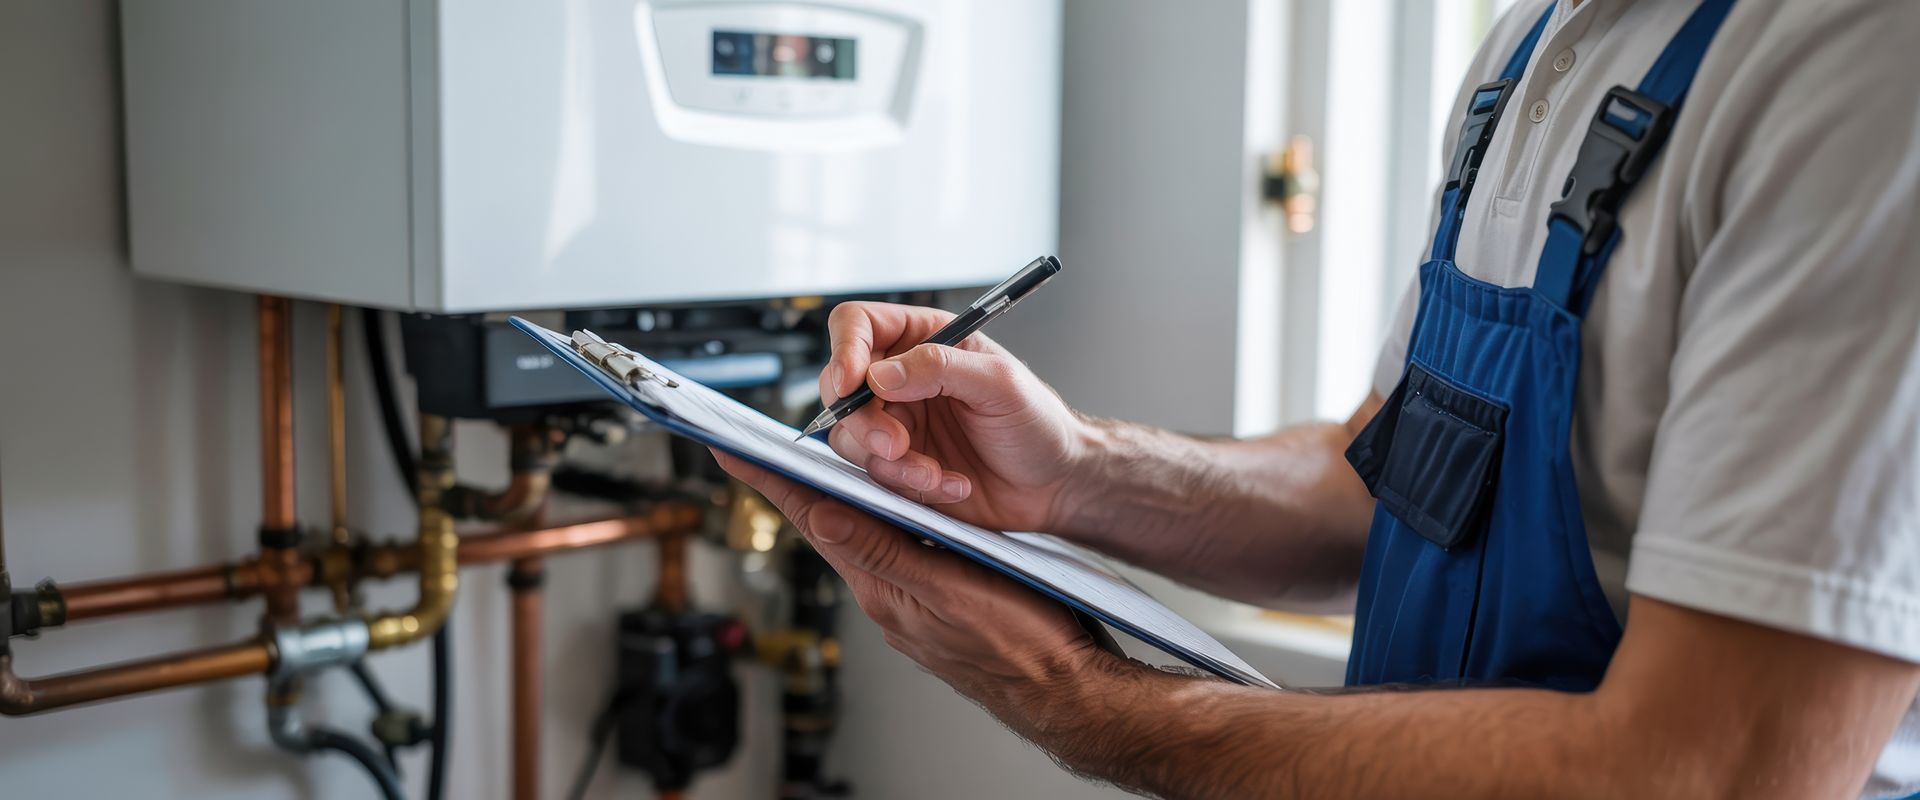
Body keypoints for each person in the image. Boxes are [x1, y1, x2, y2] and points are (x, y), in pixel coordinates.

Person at [717, 0, 1920, 795]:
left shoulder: (1865, 67)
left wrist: (1079, 698)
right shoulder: (1537, 44)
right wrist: (1076, 468)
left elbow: (1705, 768)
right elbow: (1382, 477)